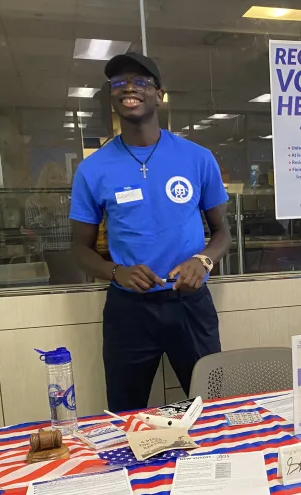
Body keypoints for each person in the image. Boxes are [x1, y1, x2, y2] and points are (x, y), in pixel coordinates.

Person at [69, 52, 231, 411]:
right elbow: (79, 249)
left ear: (159, 95)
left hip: (189, 304)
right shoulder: (93, 170)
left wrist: (203, 260)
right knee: (125, 411)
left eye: (141, 82)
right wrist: (116, 272)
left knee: (211, 406)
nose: (129, 88)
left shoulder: (197, 158)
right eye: (119, 83)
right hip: (130, 311)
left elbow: (223, 233)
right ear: (111, 96)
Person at [25, 162, 89, 285]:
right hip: (47, 256)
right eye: (53, 177)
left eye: (60, 178)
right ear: (44, 180)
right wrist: (49, 211)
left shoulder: (71, 199)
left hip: (72, 255)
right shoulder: (33, 201)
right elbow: (33, 228)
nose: (57, 181)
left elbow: (82, 226)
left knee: (77, 291)